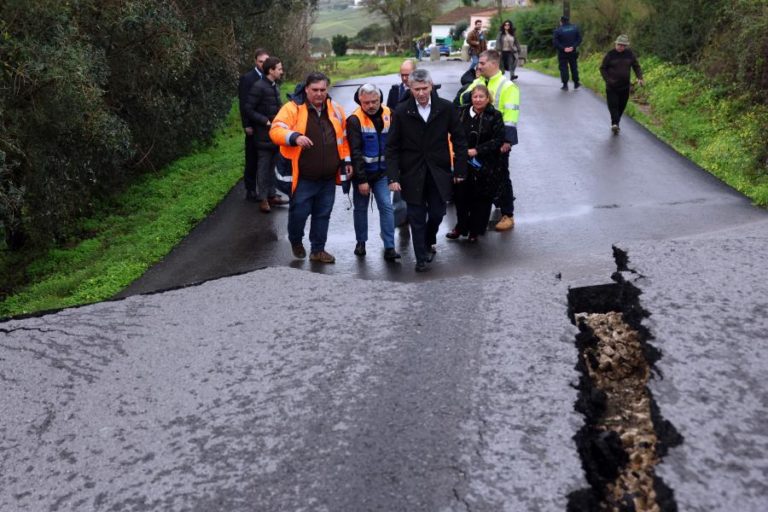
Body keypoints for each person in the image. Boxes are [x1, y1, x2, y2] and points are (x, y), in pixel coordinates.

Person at [386, 68, 468, 273]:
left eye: (424, 88)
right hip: (411, 172)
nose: (421, 93)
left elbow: (459, 140)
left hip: (438, 171)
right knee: (415, 216)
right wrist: (393, 176)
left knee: (437, 213)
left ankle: (429, 238)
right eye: (417, 89)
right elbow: (392, 147)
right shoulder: (402, 111)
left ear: (431, 86)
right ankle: (421, 258)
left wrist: (459, 169)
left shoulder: (446, 108)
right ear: (410, 88)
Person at [269, 72, 352, 264]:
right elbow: (275, 130)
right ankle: (296, 240)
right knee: (299, 214)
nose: (319, 94)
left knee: (323, 214)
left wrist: (346, 162)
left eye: (323, 90)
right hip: (304, 177)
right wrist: (294, 137)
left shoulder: (336, 109)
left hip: (328, 177)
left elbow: (345, 139)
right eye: (315, 90)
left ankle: (318, 250)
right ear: (306, 89)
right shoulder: (293, 108)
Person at [459, 50, 520, 231]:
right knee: (480, 176)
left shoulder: (507, 86)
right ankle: (482, 214)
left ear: (494, 64)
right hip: (477, 141)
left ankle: (507, 214)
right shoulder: (479, 82)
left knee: (501, 176)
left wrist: (506, 141)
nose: (479, 66)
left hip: (498, 140)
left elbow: (511, 115)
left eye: (483, 63)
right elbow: (462, 99)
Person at [347, 84, 401, 261]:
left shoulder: (390, 114)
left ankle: (389, 246)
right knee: (360, 209)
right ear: (360, 101)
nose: (371, 105)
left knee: (386, 206)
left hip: (382, 173)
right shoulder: (355, 120)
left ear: (380, 99)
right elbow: (355, 152)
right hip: (362, 173)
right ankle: (361, 242)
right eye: (366, 102)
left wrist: (394, 173)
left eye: (374, 101)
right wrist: (362, 180)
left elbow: (395, 146)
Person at [448, 85, 505, 243]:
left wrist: (478, 150)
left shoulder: (495, 115)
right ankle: (460, 227)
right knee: (461, 197)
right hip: (462, 162)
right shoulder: (461, 113)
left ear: (488, 99)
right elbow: (451, 133)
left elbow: (498, 140)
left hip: (485, 165)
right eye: (475, 97)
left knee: (480, 199)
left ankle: (475, 230)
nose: (478, 100)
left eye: (481, 97)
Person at [243, 57, 289, 212]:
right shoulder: (258, 86)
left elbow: (278, 108)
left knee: (273, 166)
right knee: (263, 168)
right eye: (279, 69)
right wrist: (264, 121)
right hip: (263, 136)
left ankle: (272, 195)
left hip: (276, 135)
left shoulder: (274, 86)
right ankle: (263, 199)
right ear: (271, 70)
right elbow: (248, 109)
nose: (281, 71)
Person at [238, 48, 270, 201]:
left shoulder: (270, 77)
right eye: (260, 61)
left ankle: (266, 191)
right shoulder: (247, 78)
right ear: (255, 61)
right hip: (253, 125)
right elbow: (244, 103)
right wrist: (246, 125)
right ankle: (250, 190)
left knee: (266, 158)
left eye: (266, 61)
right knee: (251, 158)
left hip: (266, 124)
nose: (263, 65)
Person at [600, 34, 645, 135]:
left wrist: (640, 77)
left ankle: (616, 122)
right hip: (612, 87)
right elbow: (602, 68)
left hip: (624, 87)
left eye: (623, 45)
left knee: (621, 106)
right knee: (613, 105)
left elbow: (636, 66)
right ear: (615, 44)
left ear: (626, 46)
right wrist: (608, 80)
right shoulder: (610, 55)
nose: (621, 47)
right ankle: (615, 123)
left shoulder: (629, 54)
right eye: (619, 44)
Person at [553, 16, 582, 90]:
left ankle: (565, 85)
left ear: (561, 21)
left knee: (563, 68)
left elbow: (555, 43)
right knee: (574, 67)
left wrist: (563, 48)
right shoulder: (575, 28)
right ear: (568, 21)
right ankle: (576, 83)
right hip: (573, 51)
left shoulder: (558, 31)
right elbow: (579, 39)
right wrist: (573, 47)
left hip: (563, 53)